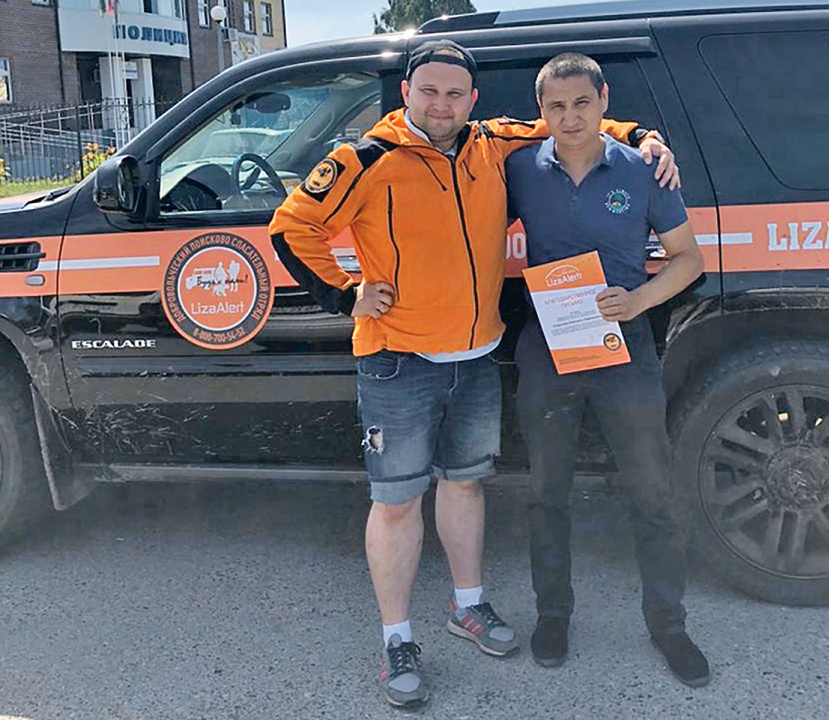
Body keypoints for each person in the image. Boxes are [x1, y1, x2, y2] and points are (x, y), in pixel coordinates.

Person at [269, 40, 679, 707]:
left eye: (454, 93)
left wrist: (644, 137)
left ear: (472, 100)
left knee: (464, 488)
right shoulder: (364, 158)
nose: (441, 104)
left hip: (477, 357)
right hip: (398, 359)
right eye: (429, 91)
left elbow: (572, 121)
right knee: (397, 503)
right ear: (406, 92)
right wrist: (345, 294)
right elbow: (292, 227)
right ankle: (397, 640)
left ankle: (468, 606)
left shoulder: (493, 143)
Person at [506, 52, 710, 687]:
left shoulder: (643, 169)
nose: (569, 118)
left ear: (603, 101)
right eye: (556, 106)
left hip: (626, 347)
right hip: (549, 348)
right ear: (541, 110)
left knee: (652, 492)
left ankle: (669, 624)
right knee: (546, 492)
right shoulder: (518, 168)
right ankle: (553, 615)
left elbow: (688, 260)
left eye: (581, 104)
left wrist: (639, 301)